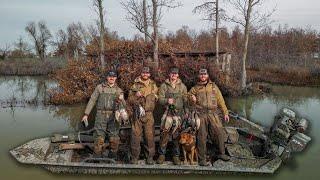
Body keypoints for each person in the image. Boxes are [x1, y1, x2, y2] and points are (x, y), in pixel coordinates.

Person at [189, 68, 230, 166]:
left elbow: (221, 101)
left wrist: (225, 112)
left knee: (219, 132)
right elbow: (188, 99)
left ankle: (222, 153)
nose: (203, 76)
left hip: (213, 114)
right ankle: (202, 159)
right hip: (201, 114)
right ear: (199, 76)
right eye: (201, 74)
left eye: (205, 74)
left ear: (207, 75)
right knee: (201, 137)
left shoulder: (214, 87)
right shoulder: (195, 88)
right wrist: (191, 98)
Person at [81, 70, 126, 159]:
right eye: (110, 76)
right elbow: (92, 100)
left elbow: (123, 106)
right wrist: (86, 114)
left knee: (114, 138)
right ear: (107, 77)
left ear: (116, 78)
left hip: (114, 116)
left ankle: (112, 156)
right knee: (99, 137)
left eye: (113, 77)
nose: (112, 78)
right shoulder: (99, 87)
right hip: (100, 115)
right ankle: (97, 157)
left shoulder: (119, 90)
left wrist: (122, 100)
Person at [157, 68, 188, 165]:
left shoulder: (182, 87)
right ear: (169, 75)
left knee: (176, 136)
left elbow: (185, 100)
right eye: (172, 73)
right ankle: (161, 155)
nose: (174, 75)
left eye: (175, 74)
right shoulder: (163, 86)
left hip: (178, 114)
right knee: (164, 135)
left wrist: (186, 111)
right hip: (167, 113)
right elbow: (159, 100)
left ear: (178, 75)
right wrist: (167, 101)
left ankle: (176, 156)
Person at [127, 67, 158, 164]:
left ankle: (149, 157)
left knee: (149, 137)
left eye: (147, 73)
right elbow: (129, 100)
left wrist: (154, 98)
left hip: (149, 114)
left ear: (149, 74)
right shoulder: (135, 85)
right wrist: (135, 96)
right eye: (143, 72)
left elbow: (158, 98)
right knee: (135, 136)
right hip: (137, 114)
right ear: (141, 73)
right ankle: (134, 157)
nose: (145, 74)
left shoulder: (154, 85)